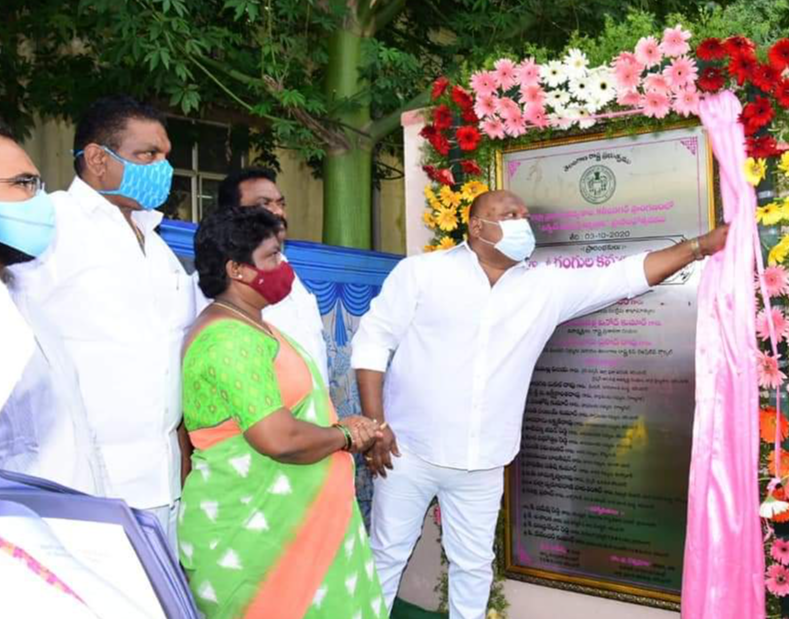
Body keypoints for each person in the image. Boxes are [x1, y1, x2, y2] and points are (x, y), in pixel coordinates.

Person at [352, 189, 729, 619]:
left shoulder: (545, 285)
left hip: (484, 461)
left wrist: (699, 246)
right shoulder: (422, 273)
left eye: (523, 215)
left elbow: (626, 275)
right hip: (407, 453)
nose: (521, 221)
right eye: (508, 215)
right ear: (477, 226)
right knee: (385, 556)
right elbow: (374, 340)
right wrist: (376, 424)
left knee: (474, 567)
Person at [180, 206, 388, 619]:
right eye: (272, 256)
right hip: (256, 540)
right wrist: (345, 437)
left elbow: (285, 417)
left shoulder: (253, 326)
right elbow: (277, 438)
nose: (283, 266)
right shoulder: (229, 339)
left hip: (298, 529)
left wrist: (336, 427)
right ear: (236, 269)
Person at [9, 96, 195, 549]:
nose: (162, 167)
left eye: (165, 156)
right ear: (96, 158)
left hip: (164, 484)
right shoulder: (51, 224)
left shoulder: (159, 246)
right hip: (82, 488)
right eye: (147, 155)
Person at [0, 122, 108, 495]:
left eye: (38, 184)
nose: (41, 200)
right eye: (23, 184)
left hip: (64, 529)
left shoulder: (21, 298)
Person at [194, 167, 328, 385]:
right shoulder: (215, 285)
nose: (278, 213)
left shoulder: (289, 276)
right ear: (232, 214)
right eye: (264, 204)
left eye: (281, 203)